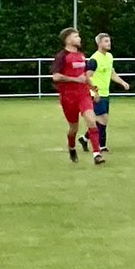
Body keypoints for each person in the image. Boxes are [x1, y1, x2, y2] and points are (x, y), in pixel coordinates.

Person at [51, 28, 104, 166]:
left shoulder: (81, 55)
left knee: (92, 121)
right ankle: (72, 147)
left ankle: (97, 154)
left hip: (83, 95)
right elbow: (56, 76)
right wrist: (75, 79)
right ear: (68, 40)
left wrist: (94, 90)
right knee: (73, 128)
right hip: (68, 98)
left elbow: (85, 76)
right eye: (76, 36)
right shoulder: (62, 56)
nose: (79, 39)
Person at [78, 33, 130, 153]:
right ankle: (101, 146)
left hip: (105, 93)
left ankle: (85, 138)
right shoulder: (94, 59)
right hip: (96, 94)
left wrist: (122, 82)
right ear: (99, 43)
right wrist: (94, 91)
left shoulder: (109, 56)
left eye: (109, 41)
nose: (109, 43)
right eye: (106, 41)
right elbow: (87, 76)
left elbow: (112, 73)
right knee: (103, 119)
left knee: (100, 120)